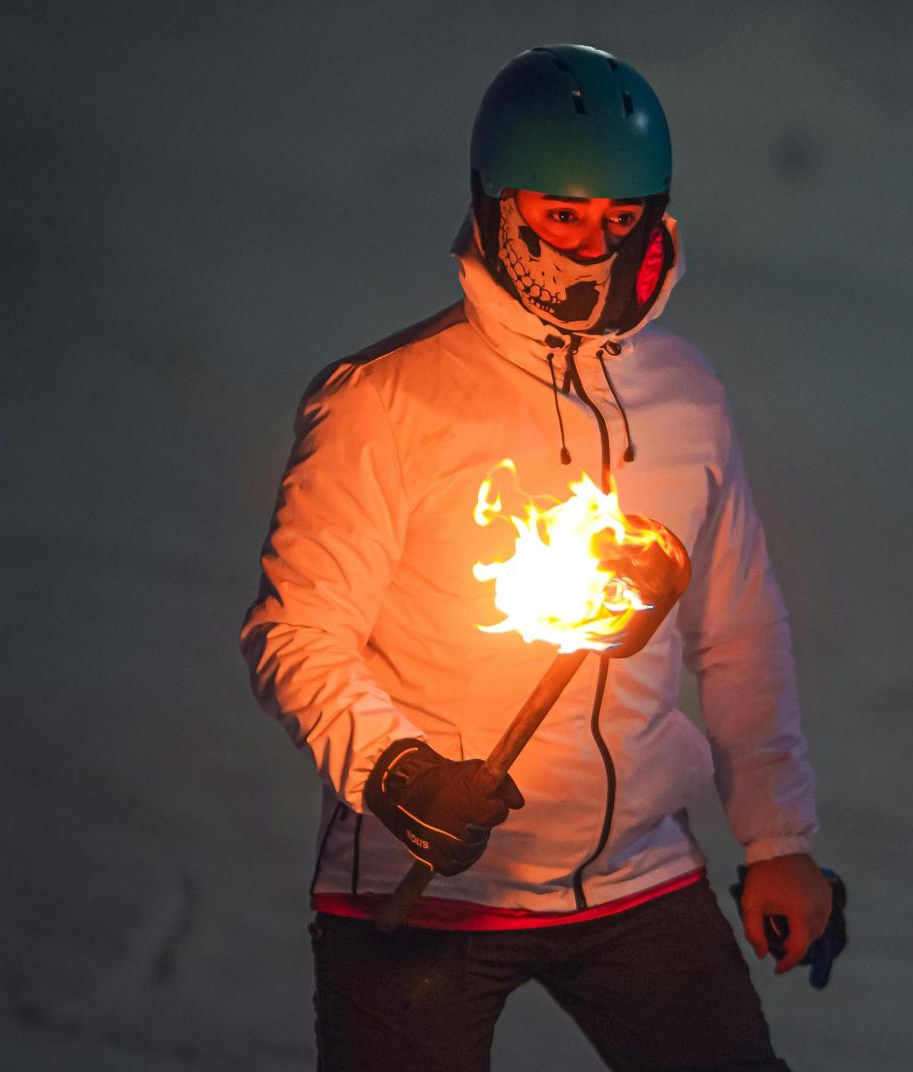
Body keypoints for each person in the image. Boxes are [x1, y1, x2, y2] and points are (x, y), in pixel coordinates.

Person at [240, 44, 830, 1070]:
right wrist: (399, 773)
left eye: (618, 217)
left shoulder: (683, 394)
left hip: (637, 875)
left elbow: (738, 630)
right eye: (562, 215)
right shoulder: (383, 400)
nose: (593, 246)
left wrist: (778, 841)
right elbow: (295, 633)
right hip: (421, 888)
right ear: (497, 203)